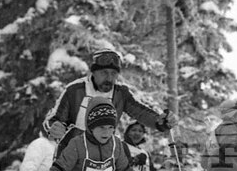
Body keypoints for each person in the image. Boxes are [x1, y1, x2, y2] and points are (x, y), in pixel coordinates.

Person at [43, 48, 171, 155]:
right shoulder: (75, 90)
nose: (109, 78)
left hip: (102, 155)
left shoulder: (120, 93)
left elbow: (141, 112)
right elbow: (53, 120)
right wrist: (54, 128)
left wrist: (159, 121)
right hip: (71, 154)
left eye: (114, 73)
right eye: (104, 73)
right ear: (93, 72)